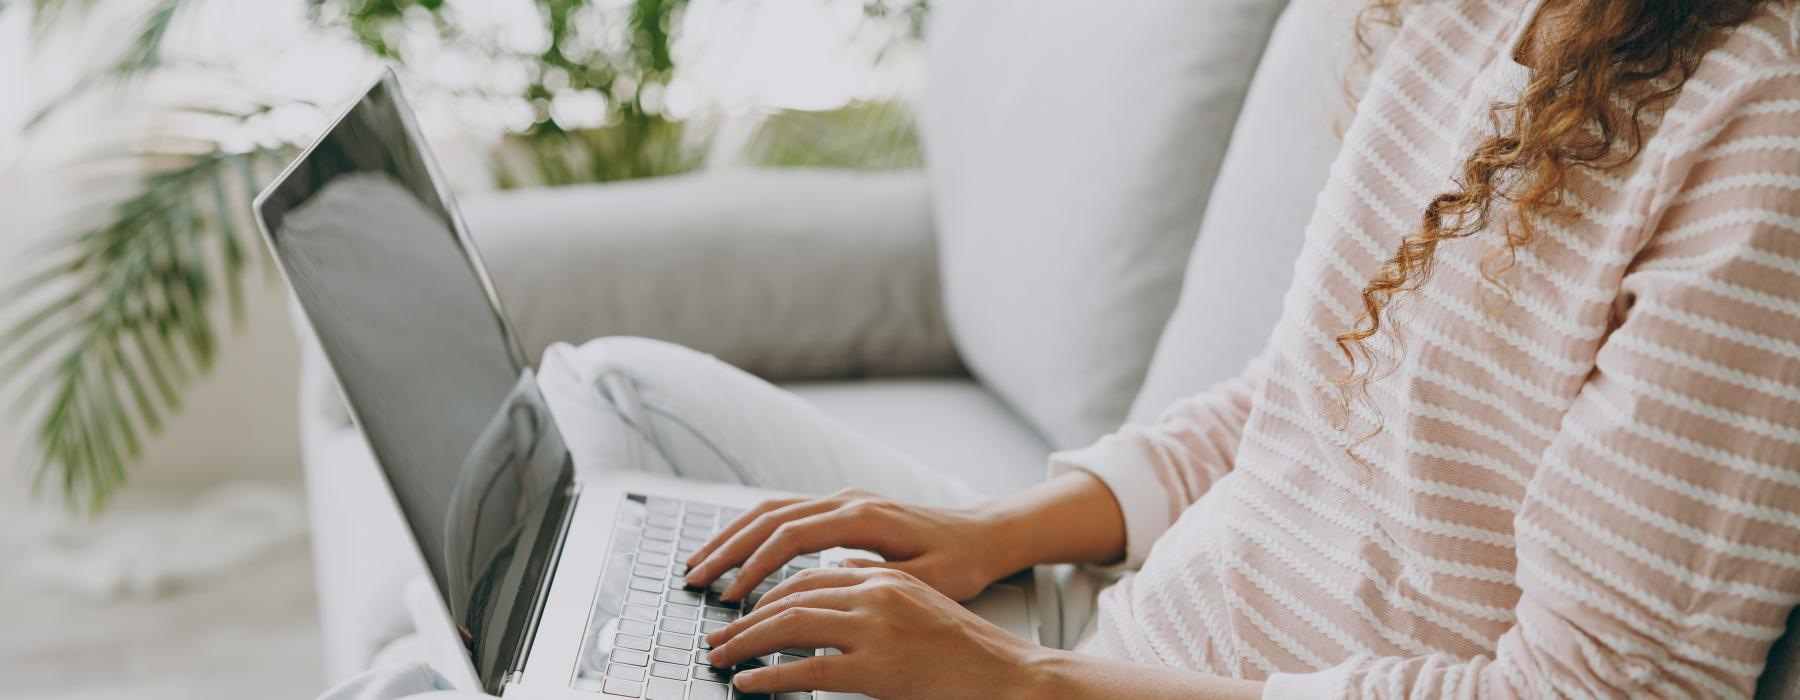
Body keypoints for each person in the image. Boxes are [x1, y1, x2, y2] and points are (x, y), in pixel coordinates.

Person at [328, 0, 1800, 697]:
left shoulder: (1753, 139)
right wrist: (985, 532)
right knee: (608, 401)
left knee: (436, 680)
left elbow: (1601, 696)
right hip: (1102, 630)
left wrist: (1011, 683)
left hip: (1108, 688)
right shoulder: (1463, 15)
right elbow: (1297, 403)